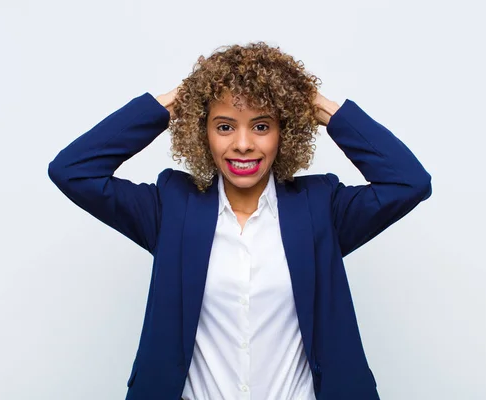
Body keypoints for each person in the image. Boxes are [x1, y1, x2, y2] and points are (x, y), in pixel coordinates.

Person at [48, 41, 432, 400]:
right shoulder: (171, 207)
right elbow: (72, 170)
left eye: (262, 126)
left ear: (285, 131)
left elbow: (409, 182)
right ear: (204, 132)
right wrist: (172, 104)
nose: (244, 143)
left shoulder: (320, 208)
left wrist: (321, 108)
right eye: (225, 126)